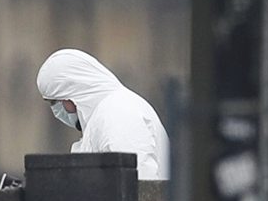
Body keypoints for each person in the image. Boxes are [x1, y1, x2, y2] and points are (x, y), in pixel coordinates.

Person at [37, 47, 171, 180]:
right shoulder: (105, 114)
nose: (57, 110)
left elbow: (138, 183)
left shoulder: (118, 113)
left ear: (70, 96)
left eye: (54, 102)